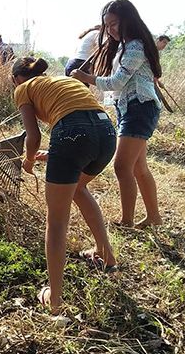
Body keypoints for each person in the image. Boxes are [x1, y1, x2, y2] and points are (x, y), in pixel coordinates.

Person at [12, 56, 117, 315]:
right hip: (106, 134)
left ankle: (55, 299)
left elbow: (33, 136)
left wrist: (27, 161)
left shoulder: (22, 89)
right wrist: (58, 153)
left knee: (56, 220)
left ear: (16, 78)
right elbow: (83, 119)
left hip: (73, 135)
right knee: (79, 189)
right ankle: (106, 255)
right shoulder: (62, 81)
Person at [71, 0, 163, 228]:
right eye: (107, 25)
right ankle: (154, 218)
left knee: (122, 166)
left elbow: (117, 82)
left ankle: (126, 221)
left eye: (114, 24)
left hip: (139, 108)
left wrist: (86, 78)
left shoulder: (135, 46)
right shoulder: (125, 45)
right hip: (131, 108)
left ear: (128, 21)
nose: (110, 30)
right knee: (139, 168)